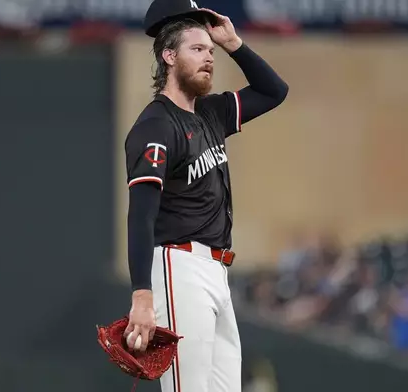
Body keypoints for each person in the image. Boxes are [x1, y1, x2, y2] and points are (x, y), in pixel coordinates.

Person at [122, 0, 289, 391]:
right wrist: (142, 297)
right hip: (178, 267)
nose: (208, 58)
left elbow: (274, 91)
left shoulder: (209, 113)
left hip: (216, 271)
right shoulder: (155, 126)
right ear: (168, 56)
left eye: (210, 52)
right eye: (197, 49)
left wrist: (234, 43)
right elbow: (140, 216)